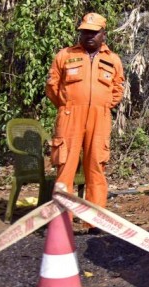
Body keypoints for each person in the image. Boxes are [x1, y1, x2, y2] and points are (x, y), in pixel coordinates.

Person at [45, 13, 124, 227]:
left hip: (100, 119)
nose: (88, 36)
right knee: (66, 167)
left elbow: (117, 89)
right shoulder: (65, 55)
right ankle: (62, 220)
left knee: (96, 168)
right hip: (70, 117)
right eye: (85, 32)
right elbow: (52, 87)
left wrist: (103, 105)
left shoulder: (113, 60)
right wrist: (67, 105)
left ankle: (95, 222)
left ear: (103, 34)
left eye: (93, 32)